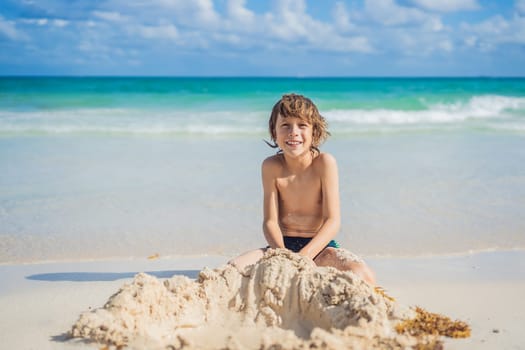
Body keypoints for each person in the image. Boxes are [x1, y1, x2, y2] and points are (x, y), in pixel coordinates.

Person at [229, 93, 375, 285]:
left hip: (320, 247)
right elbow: (270, 222)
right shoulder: (271, 166)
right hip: (281, 246)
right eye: (285, 125)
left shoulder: (324, 163)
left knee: (362, 274)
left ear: (314, 132)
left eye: (302, 125)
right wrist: (283, 255)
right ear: (274, 132)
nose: (293, 132)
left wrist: (306, 255)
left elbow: (333, 220)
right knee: (232, 269)